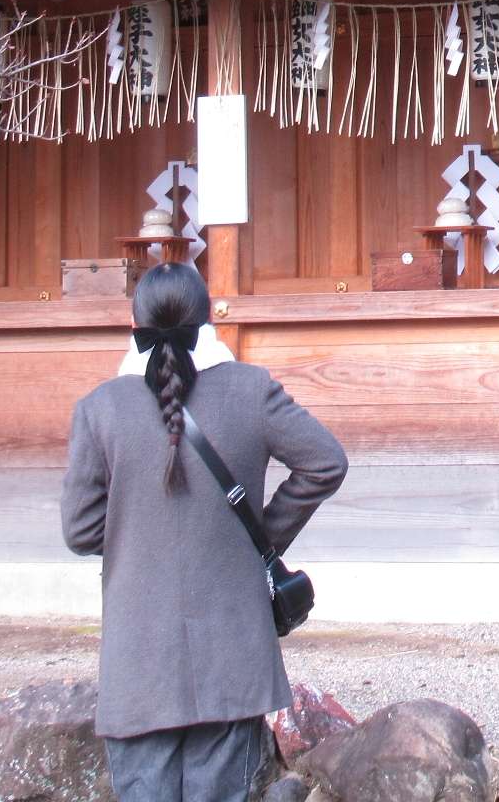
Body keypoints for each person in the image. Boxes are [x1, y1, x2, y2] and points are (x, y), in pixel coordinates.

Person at [61, 260, 348, 801]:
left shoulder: (100, 409)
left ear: (135, 325)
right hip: (232, 652)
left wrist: (135, 529)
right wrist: (258, 538)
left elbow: (79, 530)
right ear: (209, 319)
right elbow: (324, 463)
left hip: (137, 658)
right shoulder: (251, 389)